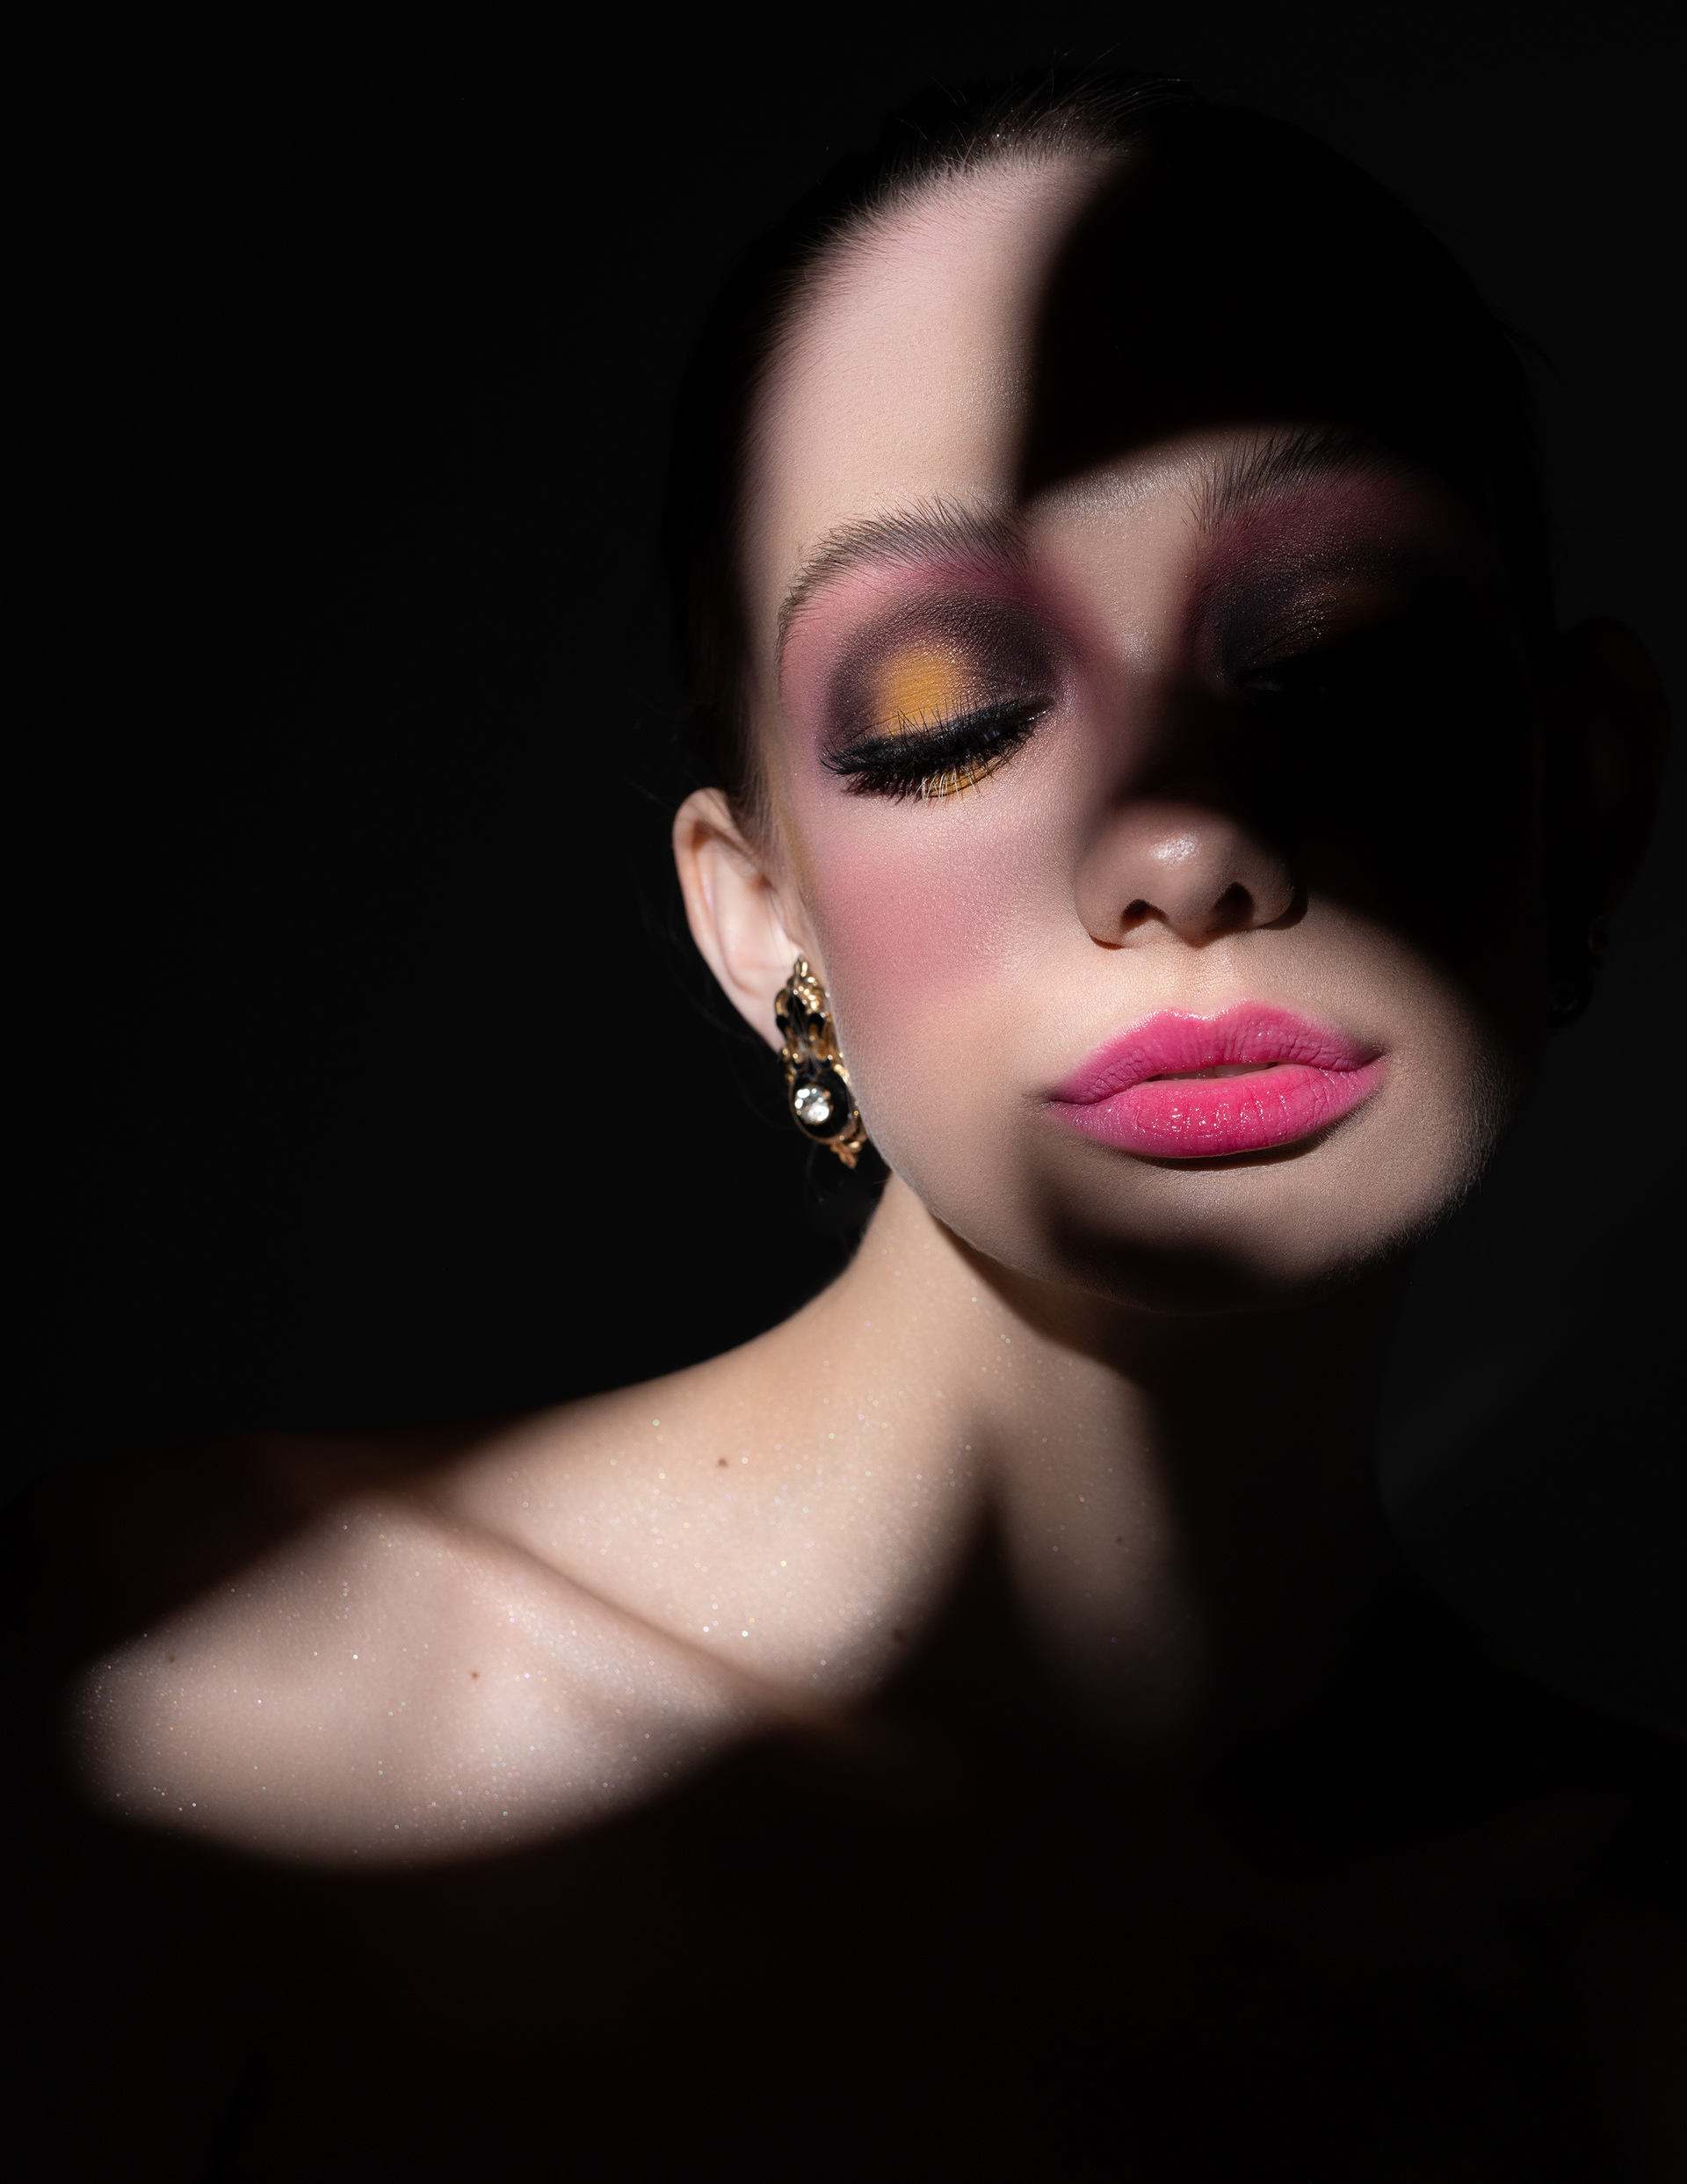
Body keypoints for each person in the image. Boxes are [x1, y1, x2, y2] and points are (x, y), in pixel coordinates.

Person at [9, 69, 1677, 2181]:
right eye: (944, 717)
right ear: (762, 918)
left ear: (1587, 791)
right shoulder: (175, 1702)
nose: (1181, 838)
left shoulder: (1630, 1969)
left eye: (1343, 652)